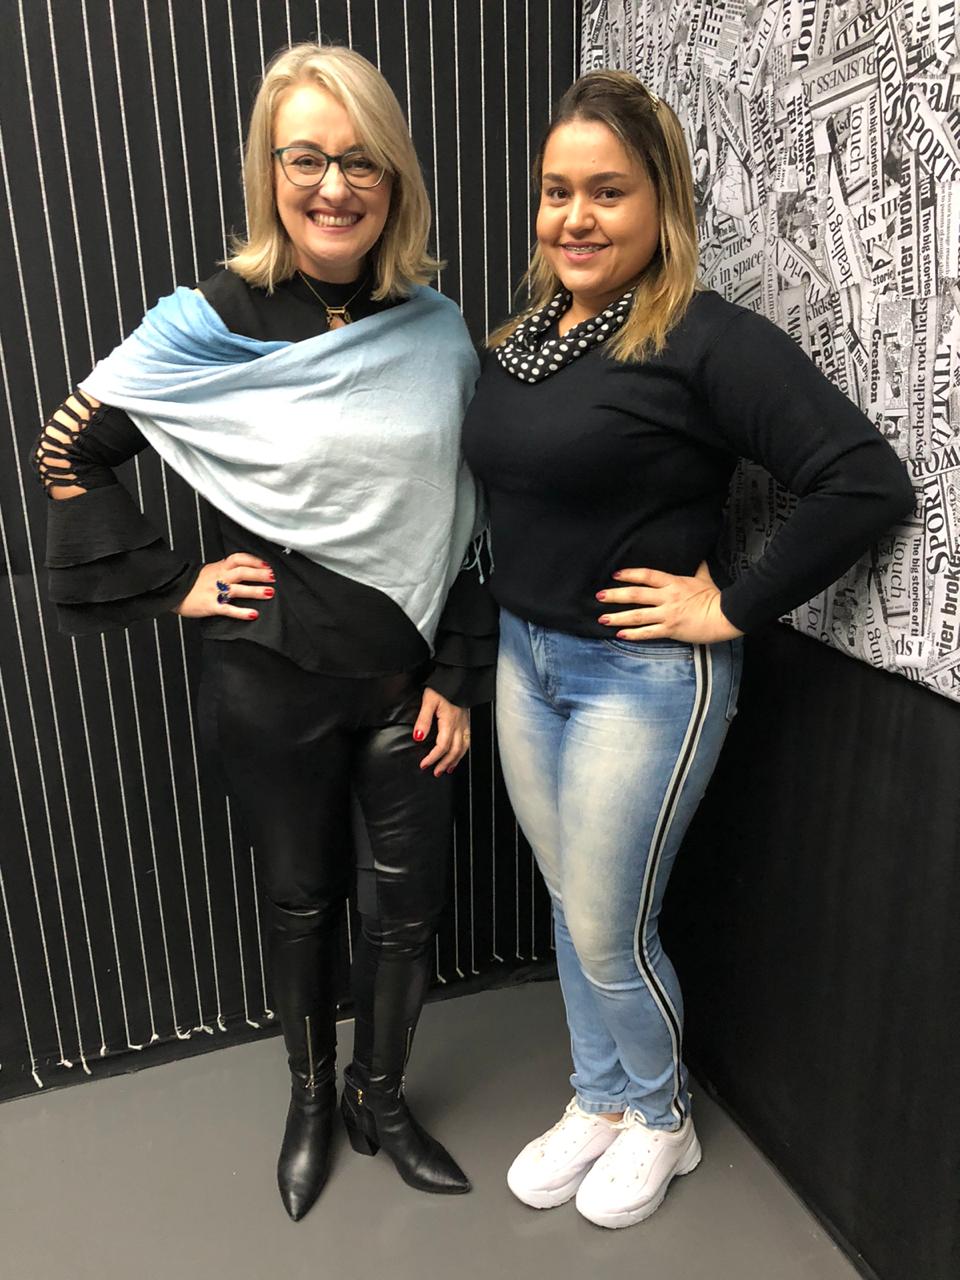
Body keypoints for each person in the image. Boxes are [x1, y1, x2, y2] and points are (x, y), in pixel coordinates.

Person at [32, 43, 495, 1220]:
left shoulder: (437, 327)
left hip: (408, 681)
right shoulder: (209, 317)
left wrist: (456, 671)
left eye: (360, 161)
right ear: (268, 171)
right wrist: (173, 583)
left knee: (407, 912)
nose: (334, 186)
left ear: (394, 177)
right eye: (306, 159)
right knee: (301, 900)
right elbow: (66, 451)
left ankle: (382, 1099)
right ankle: (310, 1096)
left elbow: (469, 510)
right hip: (270, 677)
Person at [462, 70, 914, 1230]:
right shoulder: (524, 341)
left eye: (607, 191)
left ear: (661, 200)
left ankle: (663, 1114)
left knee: (610, 926)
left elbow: (862, 480)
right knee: (571, 902)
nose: (574, 216)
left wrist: (732, 604)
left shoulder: (706, 338)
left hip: (643, 681)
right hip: (526, 661)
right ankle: (601, 1092)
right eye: (556, 190)